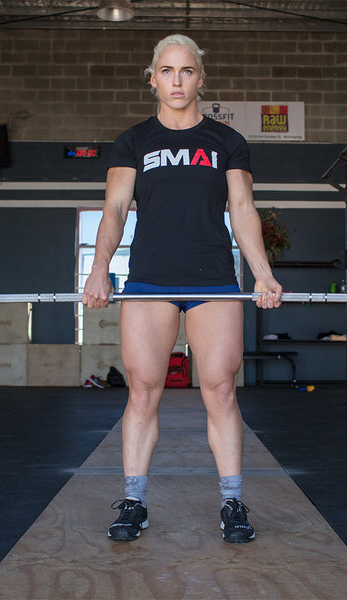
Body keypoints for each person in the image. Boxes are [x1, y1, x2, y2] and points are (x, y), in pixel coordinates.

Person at [82, 34, 283, 543]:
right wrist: (100, 268)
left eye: (186, 71)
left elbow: (241, 210)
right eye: (167, 72)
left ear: (200, 78)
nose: (177, 81)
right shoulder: (133, 141)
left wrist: (261, 272)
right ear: (152, 79)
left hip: (213, 279)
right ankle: (134, 501)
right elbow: (114, 209)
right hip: (149, 279)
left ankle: (233, 501)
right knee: (144, 391)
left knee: (219, 389)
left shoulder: (227, 142)